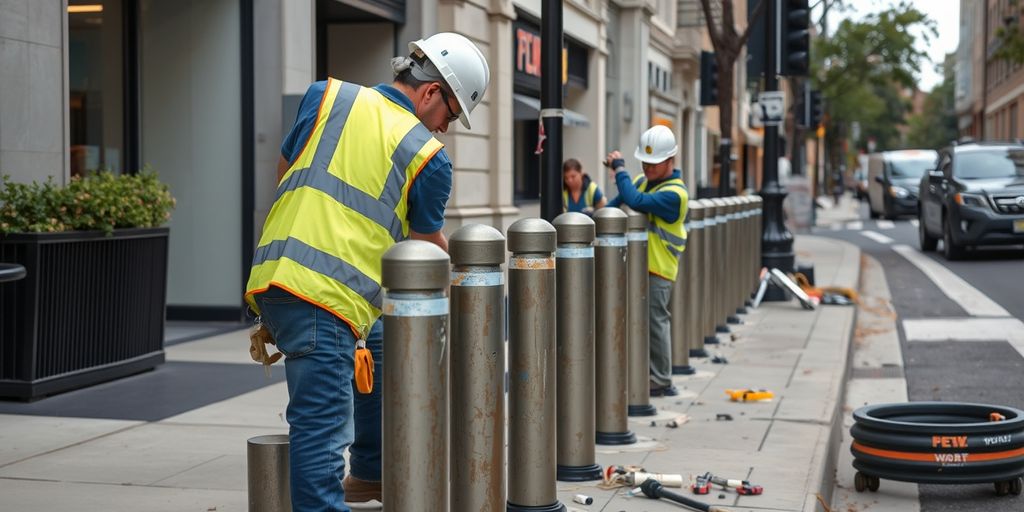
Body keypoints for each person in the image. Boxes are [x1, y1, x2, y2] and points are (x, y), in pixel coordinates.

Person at [244, 32, 489, 512]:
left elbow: (284, 171)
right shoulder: (429, 157)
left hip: (278, 276)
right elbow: (422, 251)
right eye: (452, 115)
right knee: (322, 427)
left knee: (378, 346)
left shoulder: (326, 95)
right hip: (326, 296)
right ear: (431, 92)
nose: (446, 129)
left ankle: (372, 472)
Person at [605, 125, 689, 397]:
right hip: (636, 267)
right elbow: (617, 203)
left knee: (655, 322)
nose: (648, 168)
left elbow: (635, 200)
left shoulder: (675, 194)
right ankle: (641, 371)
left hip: (659, 270)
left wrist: (620, 170)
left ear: (670, 160)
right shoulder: (642, 182)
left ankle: (662, 379)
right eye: (645, 162)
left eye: (655, 163)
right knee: (633, 321)